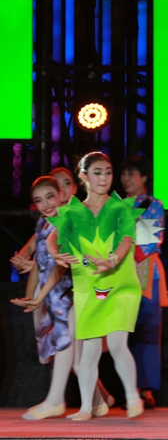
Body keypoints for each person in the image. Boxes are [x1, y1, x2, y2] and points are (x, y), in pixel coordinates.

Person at [27, 152, 144, 420]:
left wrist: (112, 260)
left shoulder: (120, 208)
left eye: (108, 172)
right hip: (88, 287)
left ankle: (132, 397)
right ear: (84, 176)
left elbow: (127, 239)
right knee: (89, 351)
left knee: (117, 343)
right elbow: (52, 238)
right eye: (97, 172)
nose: (104, 178)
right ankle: (86, 408)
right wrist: (56, 254)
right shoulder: (73, 211)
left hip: (120, 284)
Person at [10, 177, 73, 419]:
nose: (45, 204)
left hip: (66, 291)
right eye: (38, 200)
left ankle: (55, 401)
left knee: (64, 342)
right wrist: (31, 297)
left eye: (49, 197)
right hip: (50, 294)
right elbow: (39, 264)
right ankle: (100, 399)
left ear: (60, 195)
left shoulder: (66, 221)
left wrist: (41, 297)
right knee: (69, 353)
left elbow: (60, 267)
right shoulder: (43, 224)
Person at [121, 155, 168, 409]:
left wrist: (122, 254)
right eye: (124, 174)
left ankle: (146, 389)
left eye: (132, 173)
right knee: (121, 332)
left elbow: (150, 241)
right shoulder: (115, 204)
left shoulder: (153, 204)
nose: (126, 179)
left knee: (147, 330)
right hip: (117, 271)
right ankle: (127, 388)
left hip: (144, 270)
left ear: (144, 177)